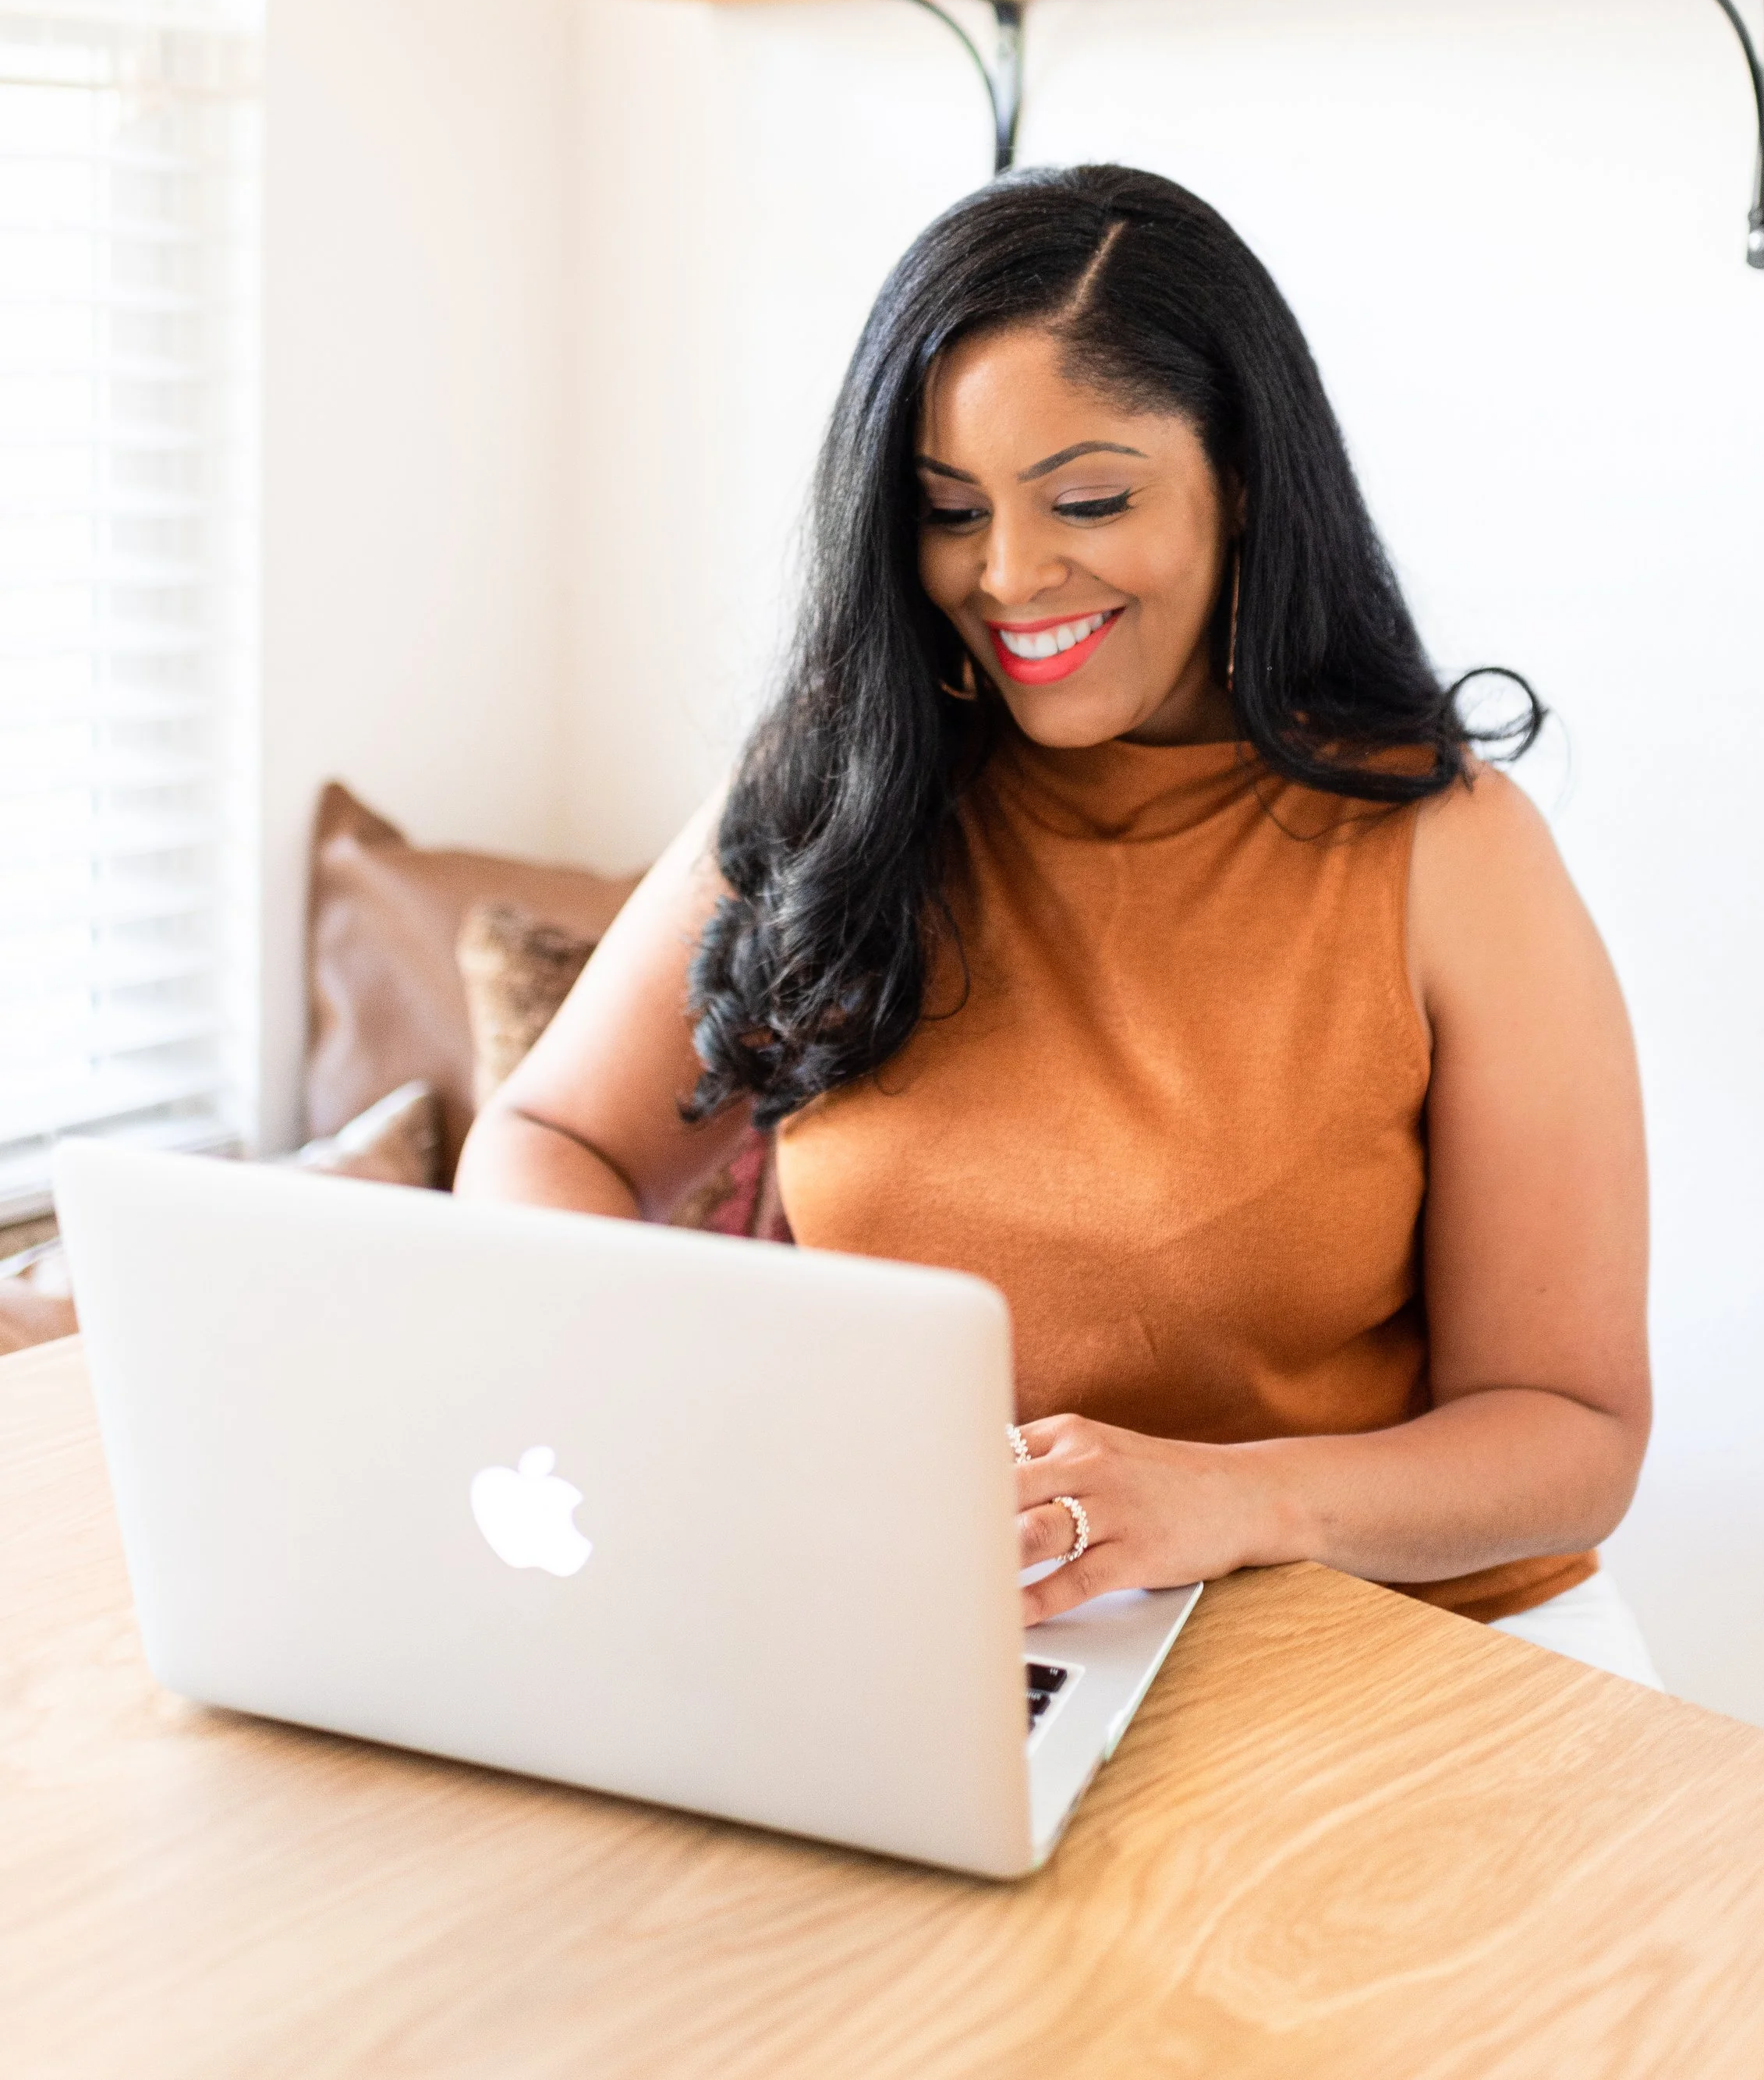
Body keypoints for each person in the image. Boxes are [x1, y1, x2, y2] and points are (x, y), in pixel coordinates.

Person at [458, 165, 1658, 1684]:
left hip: (1400, 1648)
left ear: (1240, 478)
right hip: (970, 1642)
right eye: (949, 512)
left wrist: (1222, 1499)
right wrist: (698, 1383)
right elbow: (550, 1142)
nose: (1009, 577)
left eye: (1087, 499)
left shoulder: (1442, 852)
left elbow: (1569, 1434)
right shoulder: (836, 786)